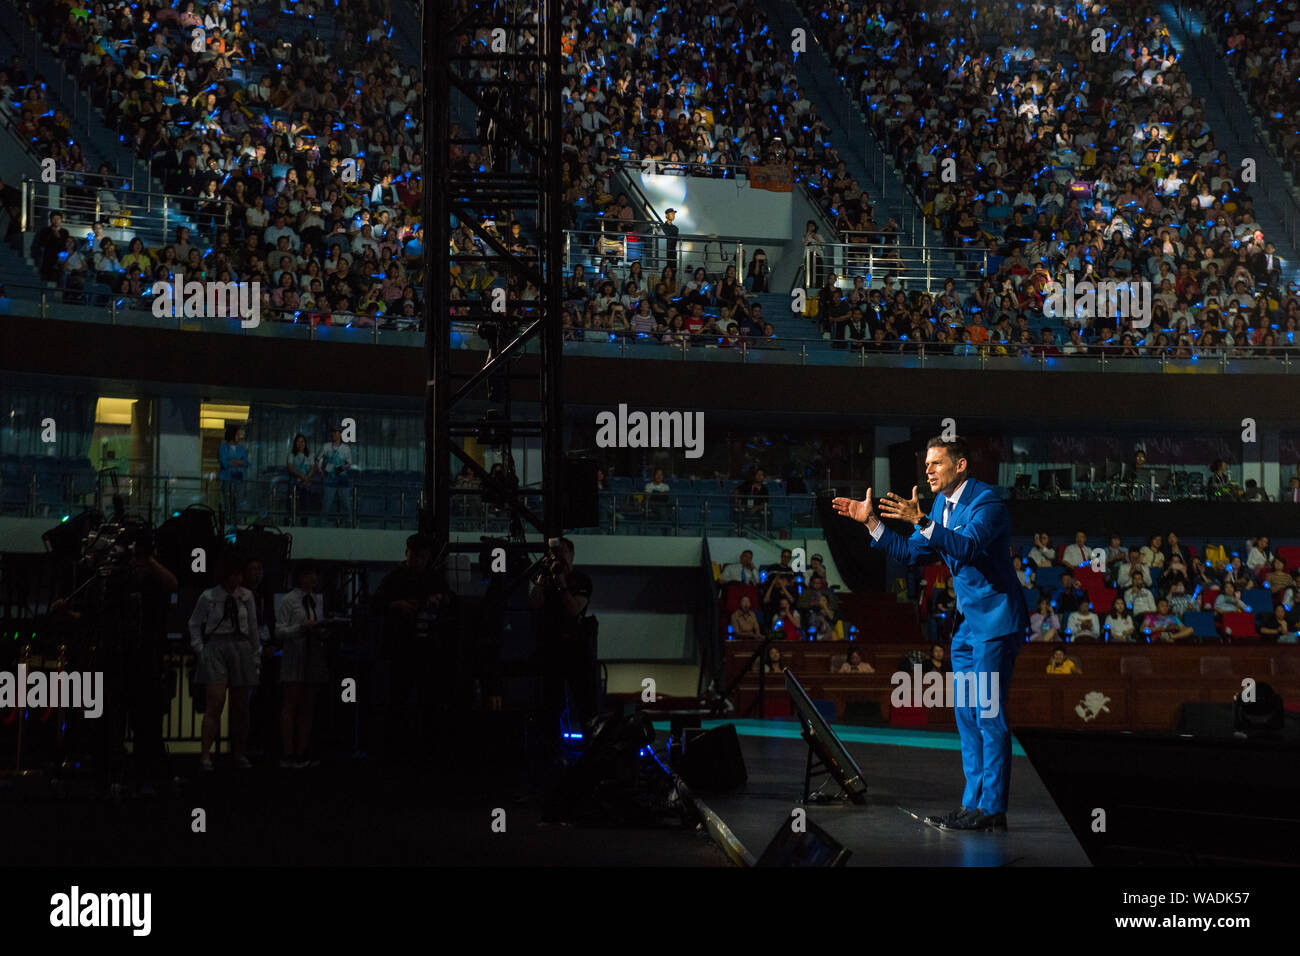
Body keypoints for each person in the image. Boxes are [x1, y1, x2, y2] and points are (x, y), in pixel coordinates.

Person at [834, 434, 1027, 831]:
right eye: (926, 465)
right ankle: (972, 804)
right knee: (967, 717)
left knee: (988, 714)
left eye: (936, 463)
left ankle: (992, 809)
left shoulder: (986, 502)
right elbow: (910, 554)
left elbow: (967, 547)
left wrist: (920, 520)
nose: (928, 470)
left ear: (960, 466)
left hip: (994, 623)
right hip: (966, 628)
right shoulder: (940, 504)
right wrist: (871, 522)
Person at [372, 533, 455, 758]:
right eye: (415, 557)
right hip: (413, 648)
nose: (417, 561)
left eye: (420, 557)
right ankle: (418, 748)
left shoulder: (401, 578)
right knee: (412, 698)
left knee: (410, 698)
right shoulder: (423, 577)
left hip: (414, 648)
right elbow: (376, 605)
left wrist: (398, 604)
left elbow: (376, 603)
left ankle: (401, 747)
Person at [188, 549, 261, 770]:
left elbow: (253, 628)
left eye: (239, 574)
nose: (236, 579)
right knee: (215, 703)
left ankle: (238, 751)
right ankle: (206, 754)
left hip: (241, 647)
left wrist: (255, 654)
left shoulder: (246, 596)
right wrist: (201, 649)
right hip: (217, 647)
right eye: (233, 574)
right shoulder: (209, 596)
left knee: (241, 706)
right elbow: (194, 623)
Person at [528, 537, 596, 742]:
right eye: (554, 553)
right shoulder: (545, 581)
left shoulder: (582, 580)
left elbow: (574, 609)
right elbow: (534, 604)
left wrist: (562, 583)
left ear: (572, 555)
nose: (559, 557)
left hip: (576, 650)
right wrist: (543, 580)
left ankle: (590, 749)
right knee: (551, 706)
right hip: (551, 649)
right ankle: (553, 753)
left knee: (585, 705)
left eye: (563, 552)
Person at [276, 561, 329, 768]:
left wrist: (322, 630)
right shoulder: (290, 600)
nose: (313, 579)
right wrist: (300, 628)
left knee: (307, 705)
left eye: (315, 575)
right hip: (295, 654)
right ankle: (289, 752)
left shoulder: (317, 599)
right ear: (300, 578)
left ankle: (301, 751)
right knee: (292, 703)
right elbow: (279, 631)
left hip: (313, 653)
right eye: (309, 575)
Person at [317, 423, 354, 526]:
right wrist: (320, 470)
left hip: (342, 478)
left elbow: (349, 463)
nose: (334, 434)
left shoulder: (346, 448)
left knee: (345, 502)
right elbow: (318, 459)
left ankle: (349, 523)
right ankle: (323, 523)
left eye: (337, 432)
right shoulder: (326, 446)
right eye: (333, 432)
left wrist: (337, 470)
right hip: (329, 478)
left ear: (340, 434)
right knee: (327, 502)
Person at [218, 424, 248, 530]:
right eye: (237, 434)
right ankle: (227, 523)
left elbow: (246, 463)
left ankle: (238, 524)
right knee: (227, 502)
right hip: (227, 479)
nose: (239, 437)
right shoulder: (223, 447)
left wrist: (232, 461)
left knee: (238, 503)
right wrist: (237, 462)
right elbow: (223, 463)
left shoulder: (241, 448)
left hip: (239, 480)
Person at [286, 432, 319, 522]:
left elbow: (312, 468)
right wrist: (303, 477)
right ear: (295, 443)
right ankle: (290, 521)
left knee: (305, 504)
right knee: (291, 504)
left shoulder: (310, 455)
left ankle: (304, 524)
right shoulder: (291, 455)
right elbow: (291, 468)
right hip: (294, 483)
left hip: (306, 484)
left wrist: (306, 478)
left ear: (305, 443)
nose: (300, 444)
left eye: (302, 442)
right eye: (298, 442)